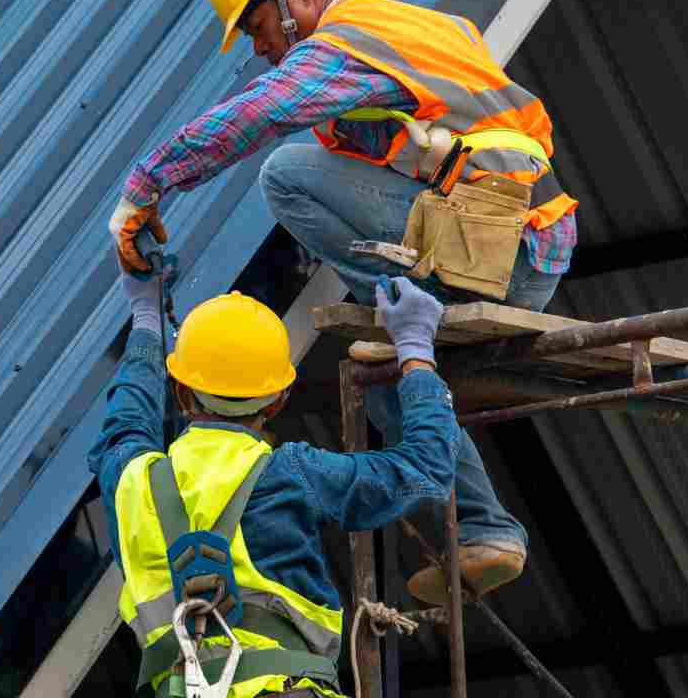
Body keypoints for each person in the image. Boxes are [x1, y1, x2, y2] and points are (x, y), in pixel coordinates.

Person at [106, 0, 548, 611]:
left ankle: (403, 305)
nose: (266, 51)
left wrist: (145, 186)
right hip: (516, 243)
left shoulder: (348, 40)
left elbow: (258, 115)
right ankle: (484, 531)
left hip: (500, 239)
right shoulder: (425, 31)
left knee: (285, 173)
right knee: (382, 376)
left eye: (259, 30)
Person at [91, 268, 465, 697]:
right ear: (279, 399)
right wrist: (415, 349)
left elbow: (125, 424)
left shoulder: (130, 479)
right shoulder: (291, 474)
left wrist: (144, 315)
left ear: (180, 392)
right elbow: (427, 467)